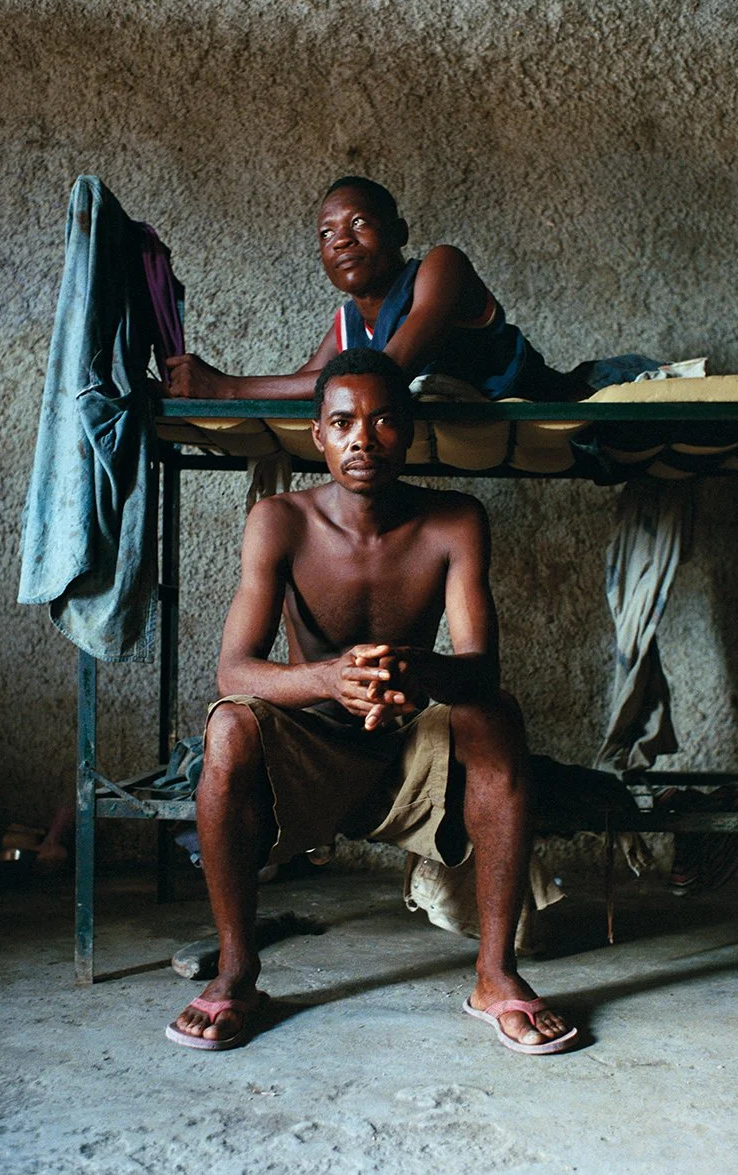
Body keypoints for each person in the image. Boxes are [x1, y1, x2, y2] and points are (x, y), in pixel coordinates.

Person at [165, 348, 579, 1055]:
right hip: (309, 747)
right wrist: (328, 678)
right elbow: (233, 668)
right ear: (317, 435)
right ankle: (237, 972)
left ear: (411, 433)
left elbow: (481, 668)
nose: (364, 438)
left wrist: (420, 674)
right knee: (230, 727)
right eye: (343, 422)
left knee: (497, 714)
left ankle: (494, 973)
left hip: (410, 749)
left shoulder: (455, 520)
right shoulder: (279, 521)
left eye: (384, 421)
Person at [163, 176, 600, 402]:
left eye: (358, 223)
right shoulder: (347, 323)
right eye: (325, 234)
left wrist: (228, 387)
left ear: (399, 232)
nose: (341, 240)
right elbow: (303, 384)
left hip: (571, 398)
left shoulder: (441, 267)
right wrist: (180, 387)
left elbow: (381, 372)